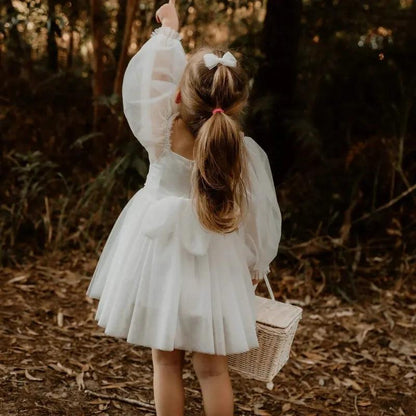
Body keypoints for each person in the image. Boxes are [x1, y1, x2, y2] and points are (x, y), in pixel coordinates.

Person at [85, 1, 282, 415]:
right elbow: (256, 215)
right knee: (212, 369)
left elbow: (148, 84)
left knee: (165, 361)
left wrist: (169, 35)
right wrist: (252, 267)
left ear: (179, 94)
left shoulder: (161, 129)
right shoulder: (238, 149)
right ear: (237, 105)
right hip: (215, 259)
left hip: (157, 254)